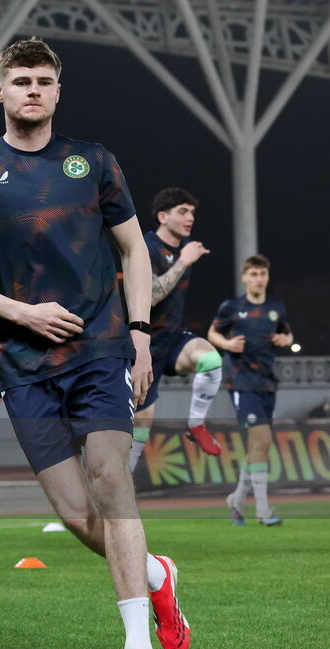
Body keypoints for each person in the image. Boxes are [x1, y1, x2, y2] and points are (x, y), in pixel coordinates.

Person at [0, 39, 189, 649]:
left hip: (99, 349)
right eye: (21, 80)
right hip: (22, 367)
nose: (33, 90)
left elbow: (133, 250)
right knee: (78, 518)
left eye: (43, 81)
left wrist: (139, 334)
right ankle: (157, 575)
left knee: (111, 479)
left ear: (57, 91)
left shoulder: (93, 162)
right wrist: (22, 315)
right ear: (0, 91)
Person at [128, 188, 223, 474]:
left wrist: (184, 257)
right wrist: (183, 261)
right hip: (142, 346)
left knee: (211, 359)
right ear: (162, 216)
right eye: (183, 211)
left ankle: (196, 424)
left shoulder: (185, 248)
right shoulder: (146, 248)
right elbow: (150, 296)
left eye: (192, 212)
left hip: (174, 339)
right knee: (142, 422)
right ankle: (122, 485)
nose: (190, 217)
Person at [207, 254, 292, 527]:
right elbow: (212, 333)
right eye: (253, 274)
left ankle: (236, 500)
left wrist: (284, 339)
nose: (258, 279)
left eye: (262, 274)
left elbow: (288, 334)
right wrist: (227, 345)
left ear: (267, 276)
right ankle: (263, 510)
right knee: (263, 439)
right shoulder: (232, 307)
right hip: (241, 382)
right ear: (245, 277)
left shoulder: (276, 307)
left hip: (267, 382)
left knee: (258, 445)